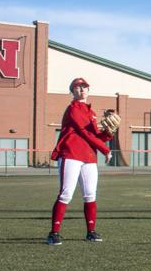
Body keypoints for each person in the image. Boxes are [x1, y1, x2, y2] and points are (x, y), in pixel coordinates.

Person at [47, 77, 114, 245]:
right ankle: (54, 233)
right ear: (72, 91)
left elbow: (96, 136)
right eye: (77, 87)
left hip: (89, 157)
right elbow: (85, 133)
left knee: (90, 194)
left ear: (88, 90)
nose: (81, 89)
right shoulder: (73, 109)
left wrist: (109, 132)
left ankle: (91, 231)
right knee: (66, 193)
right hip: (71, 154)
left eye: (84, 87)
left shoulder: (91, 112)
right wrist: (105, 149)